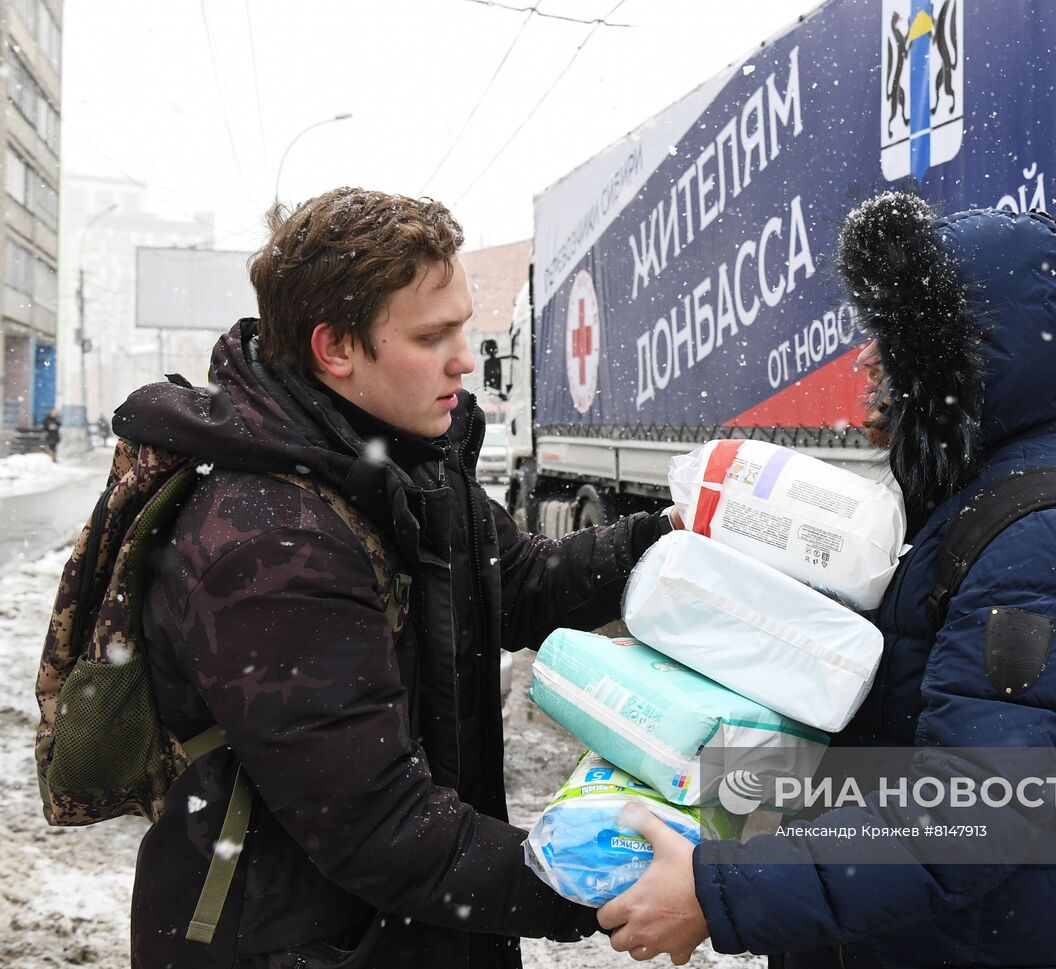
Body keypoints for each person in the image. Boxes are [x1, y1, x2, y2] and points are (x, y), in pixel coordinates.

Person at [113, 187, 678, 969]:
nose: (465, 358)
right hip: (296, 945)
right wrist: (591, 887)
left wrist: (671, 540)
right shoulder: (267, 538)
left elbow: (520, 582)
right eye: (433, 335)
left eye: (465, 328)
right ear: (335, 348)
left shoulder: (400, 465)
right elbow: (380, 827)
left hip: (397, 931)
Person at [597, 197, 1056, 967]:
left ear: (953, 358)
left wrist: (724, 892)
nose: (866, 361)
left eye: (890, 340)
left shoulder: (1044, 540)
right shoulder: (967, 494)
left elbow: (971, 810)